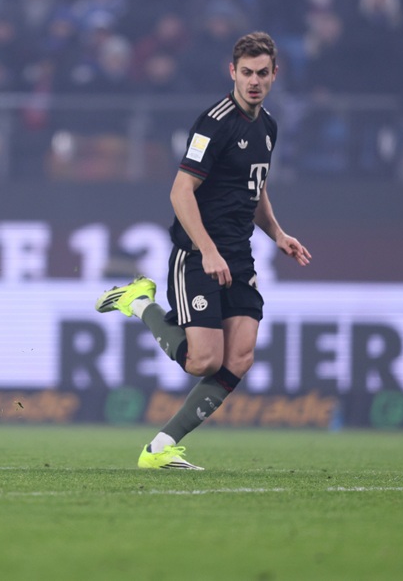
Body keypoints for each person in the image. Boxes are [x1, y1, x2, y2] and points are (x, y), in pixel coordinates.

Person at [96, 31, 310, 469]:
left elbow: (254, 187)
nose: (254, 81)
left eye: (262, 73)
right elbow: (180, 192)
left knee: (241, 356)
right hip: (196, 254)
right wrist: (208, 250)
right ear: (232, 72)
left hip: (239, 255)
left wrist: (278, 234)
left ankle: (159, 449)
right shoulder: (214, 122)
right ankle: (140, 303)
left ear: (275, 74)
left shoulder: (268, 126)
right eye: (246, 73)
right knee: (203, 361)